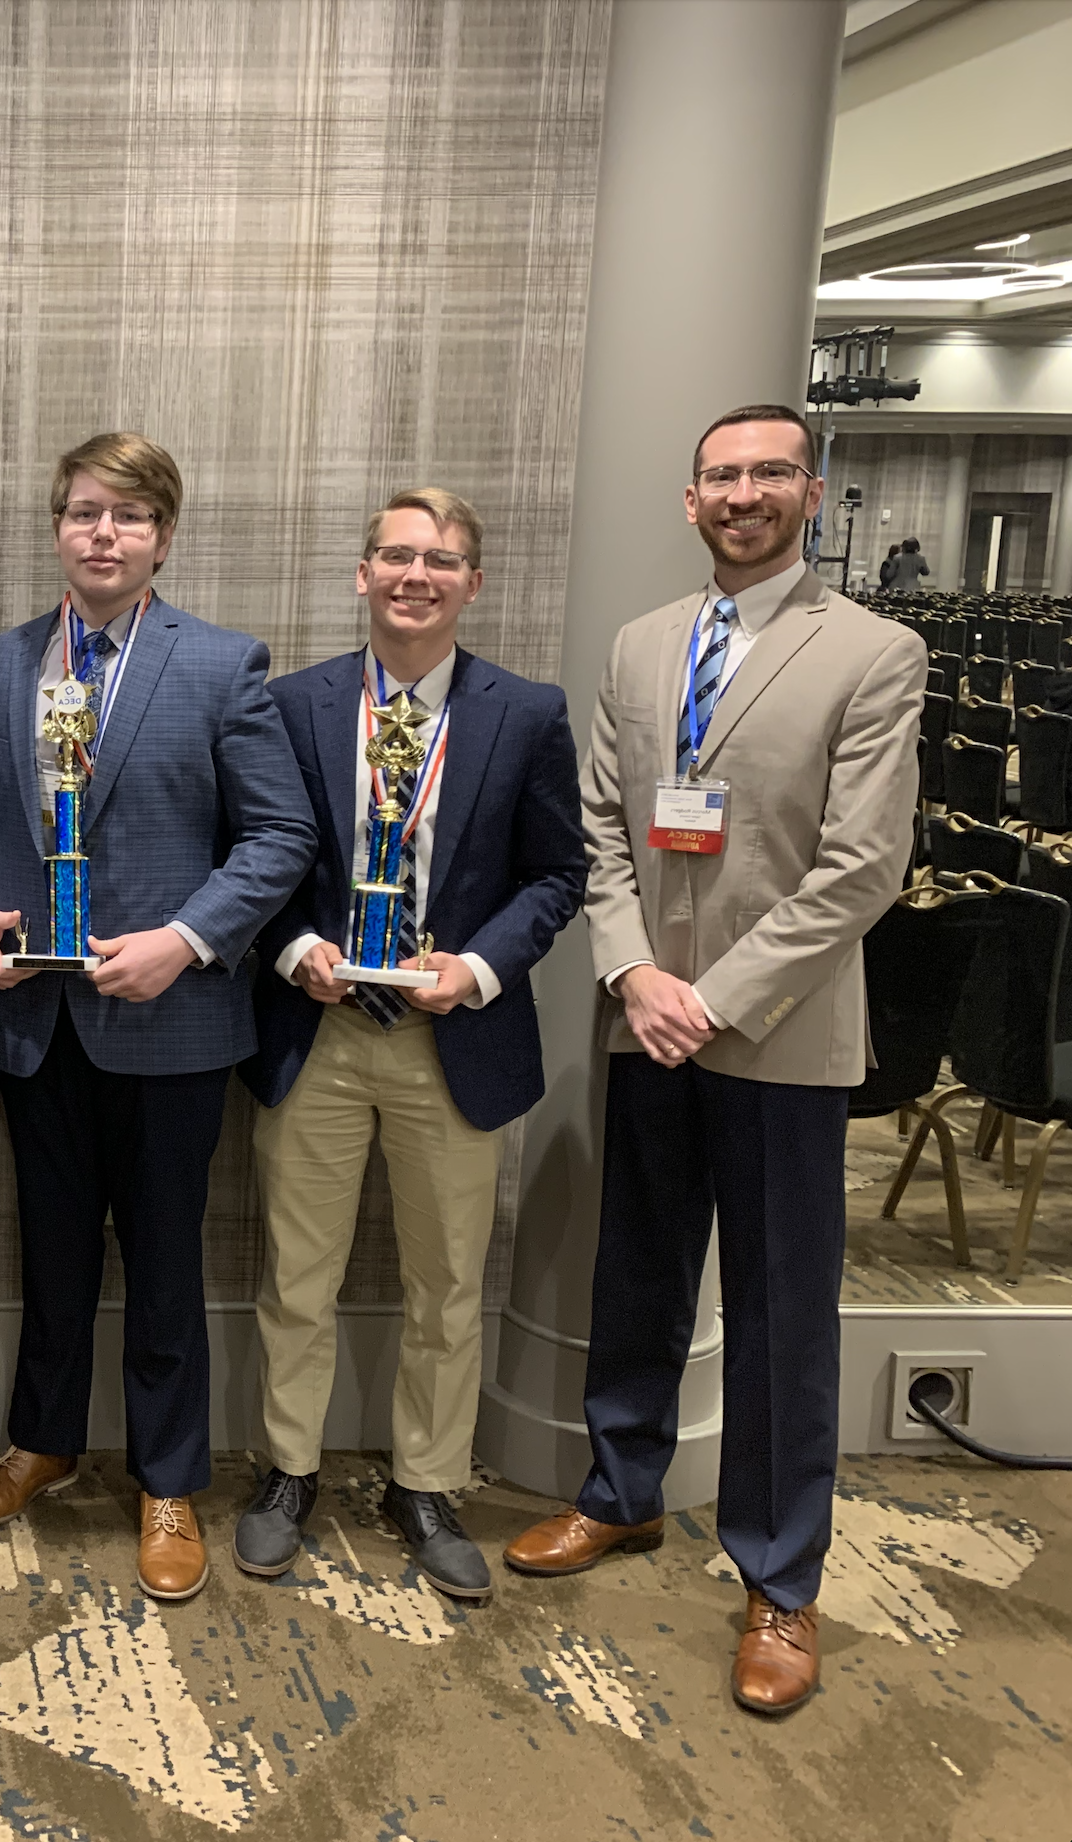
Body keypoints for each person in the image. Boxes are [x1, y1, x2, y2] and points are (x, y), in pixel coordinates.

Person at [503, 404, 925, 1716]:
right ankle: (621, 1493)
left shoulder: (871, 649)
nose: (743, 494)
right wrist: (634, 973)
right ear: (690, 498)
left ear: (809, 488)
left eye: (767, 473)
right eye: (721, 476)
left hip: (779, 1035)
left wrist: (716, 994)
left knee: (780, 1311)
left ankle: (778, 1574)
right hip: (643, 1018)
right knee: (635, 1270)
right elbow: (599, 830)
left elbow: (861, 866)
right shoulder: (640, 647)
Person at [0, 433, 315, 1602]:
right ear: (57, 527)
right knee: (49, 1253)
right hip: (33, 1019)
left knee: (162, 1261)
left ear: (163, 535)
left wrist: (184, 941)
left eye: (131, 516)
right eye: (85, 513)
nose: (104, 534)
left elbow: (279, 838)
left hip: (170, 1023)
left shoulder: (219, 664)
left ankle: (168, 1479)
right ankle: (41, 1443)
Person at [236, 488, 585, 1599]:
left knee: (444, 1284)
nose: (415, 575)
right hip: (318, 1028)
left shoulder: (525, 714)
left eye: (441, 559)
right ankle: (286, 1472)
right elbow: (247, 850)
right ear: (362, 572)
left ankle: (426, 1485)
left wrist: (474, 971)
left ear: (472, 583)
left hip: (455, 1041)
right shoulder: (290, 705)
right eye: (396, 555)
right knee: (299, 1276)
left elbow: (557, 874)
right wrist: (292, 951)